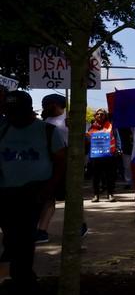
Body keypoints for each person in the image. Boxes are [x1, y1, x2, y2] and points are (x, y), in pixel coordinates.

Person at [0, 91, 66, 295]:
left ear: (29, 111)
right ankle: (22, 279)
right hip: (6, 192)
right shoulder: (3, 129)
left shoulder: (47, 131)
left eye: (17, 112)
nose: (13, 117)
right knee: (12, 237)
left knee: (23, 237)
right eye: (10, 112)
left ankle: (22, 284)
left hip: (33, 193)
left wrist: (48, 189)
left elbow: (60, 163)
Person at [35, 93, 69, 243]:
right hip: (48, 165)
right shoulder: (45, 121)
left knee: (69, 196)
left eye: (46, 104)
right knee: (49, 198)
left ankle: (80, 225)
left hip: (65, 164)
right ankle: (42, 230)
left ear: (55, 104)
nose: (43, 107)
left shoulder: (69, 119)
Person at [86, 107, 120, 202]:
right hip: (96, 157)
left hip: (110, 155)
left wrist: (118, 149)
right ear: (95, 116)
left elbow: (117, 138)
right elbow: (88, 141)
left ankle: (110, 194)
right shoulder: (91, 128)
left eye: (102, 114)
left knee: (110, 176)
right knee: (96, 176)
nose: (100, 115)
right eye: (98, 114)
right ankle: (96, 195)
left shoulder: (111, 126)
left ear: (105, 116)